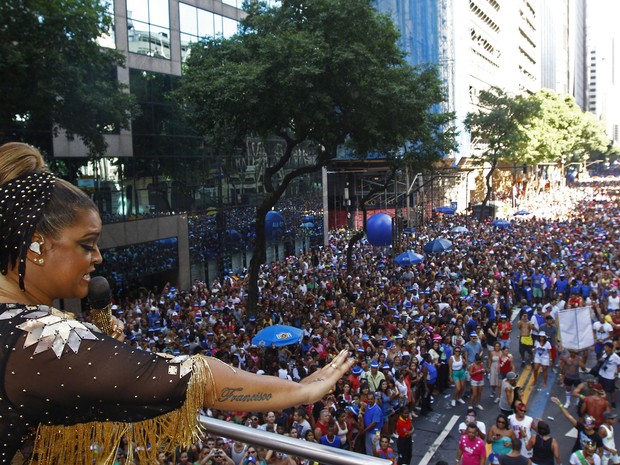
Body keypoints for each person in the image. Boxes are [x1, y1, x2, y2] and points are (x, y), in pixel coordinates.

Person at [0, 142, 355, 464]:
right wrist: (301, 390)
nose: (97, 258)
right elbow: (193, 377)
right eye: (86, 244)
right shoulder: (39, 338)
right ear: (35, 245)